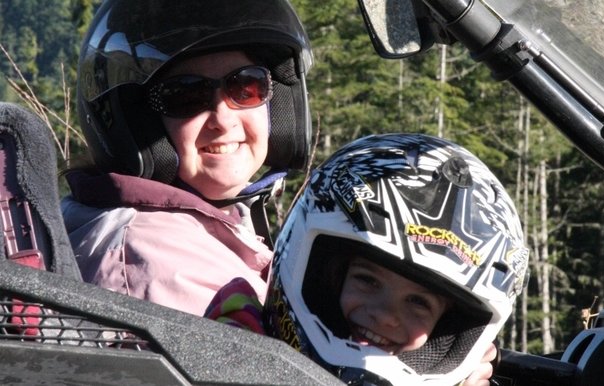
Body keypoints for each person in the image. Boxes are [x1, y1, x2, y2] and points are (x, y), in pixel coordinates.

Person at [61, 0, 313, 316]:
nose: (223, 120)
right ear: (137, 126)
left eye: (247, 86)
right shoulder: (158, 262)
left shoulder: (206, 226)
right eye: (186, 95)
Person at [260, 133, 530, 385]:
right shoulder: (237, 327)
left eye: (418, 302)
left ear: (451, 328)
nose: (386, 316)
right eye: (368, 280)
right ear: (326, 276)